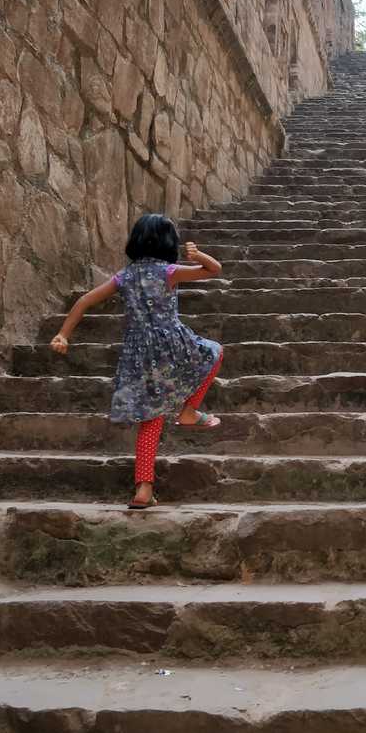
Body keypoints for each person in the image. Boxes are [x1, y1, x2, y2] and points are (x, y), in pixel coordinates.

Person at [50, 213, 224, 510]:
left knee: (150, 417)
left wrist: (63, 334)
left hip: (138, 354)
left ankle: (143, 489)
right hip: (170, 343)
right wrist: (198, 255)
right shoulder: (169, 271)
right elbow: (213, 269)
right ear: (169, 242)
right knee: (214, 351)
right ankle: (189, 411)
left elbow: (84, 301)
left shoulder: (124, 276)